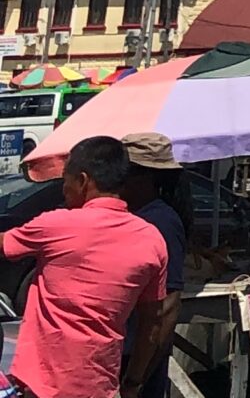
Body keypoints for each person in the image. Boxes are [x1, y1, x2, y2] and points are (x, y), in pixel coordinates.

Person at [0, 136, 168, 398]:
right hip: (101, 385)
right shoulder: (152, 240)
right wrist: (133, 383)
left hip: (43, 384)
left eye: (65, 181)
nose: (63, 190)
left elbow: (4, 245)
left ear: (82, 180)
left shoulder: (55, 226)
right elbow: (153, 321)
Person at [114, 136, 186, 398]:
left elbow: (167, 306)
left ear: (142, 178)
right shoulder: (133, 217)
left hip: (136, 360)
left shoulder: (160, 222)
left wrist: (136, 380)